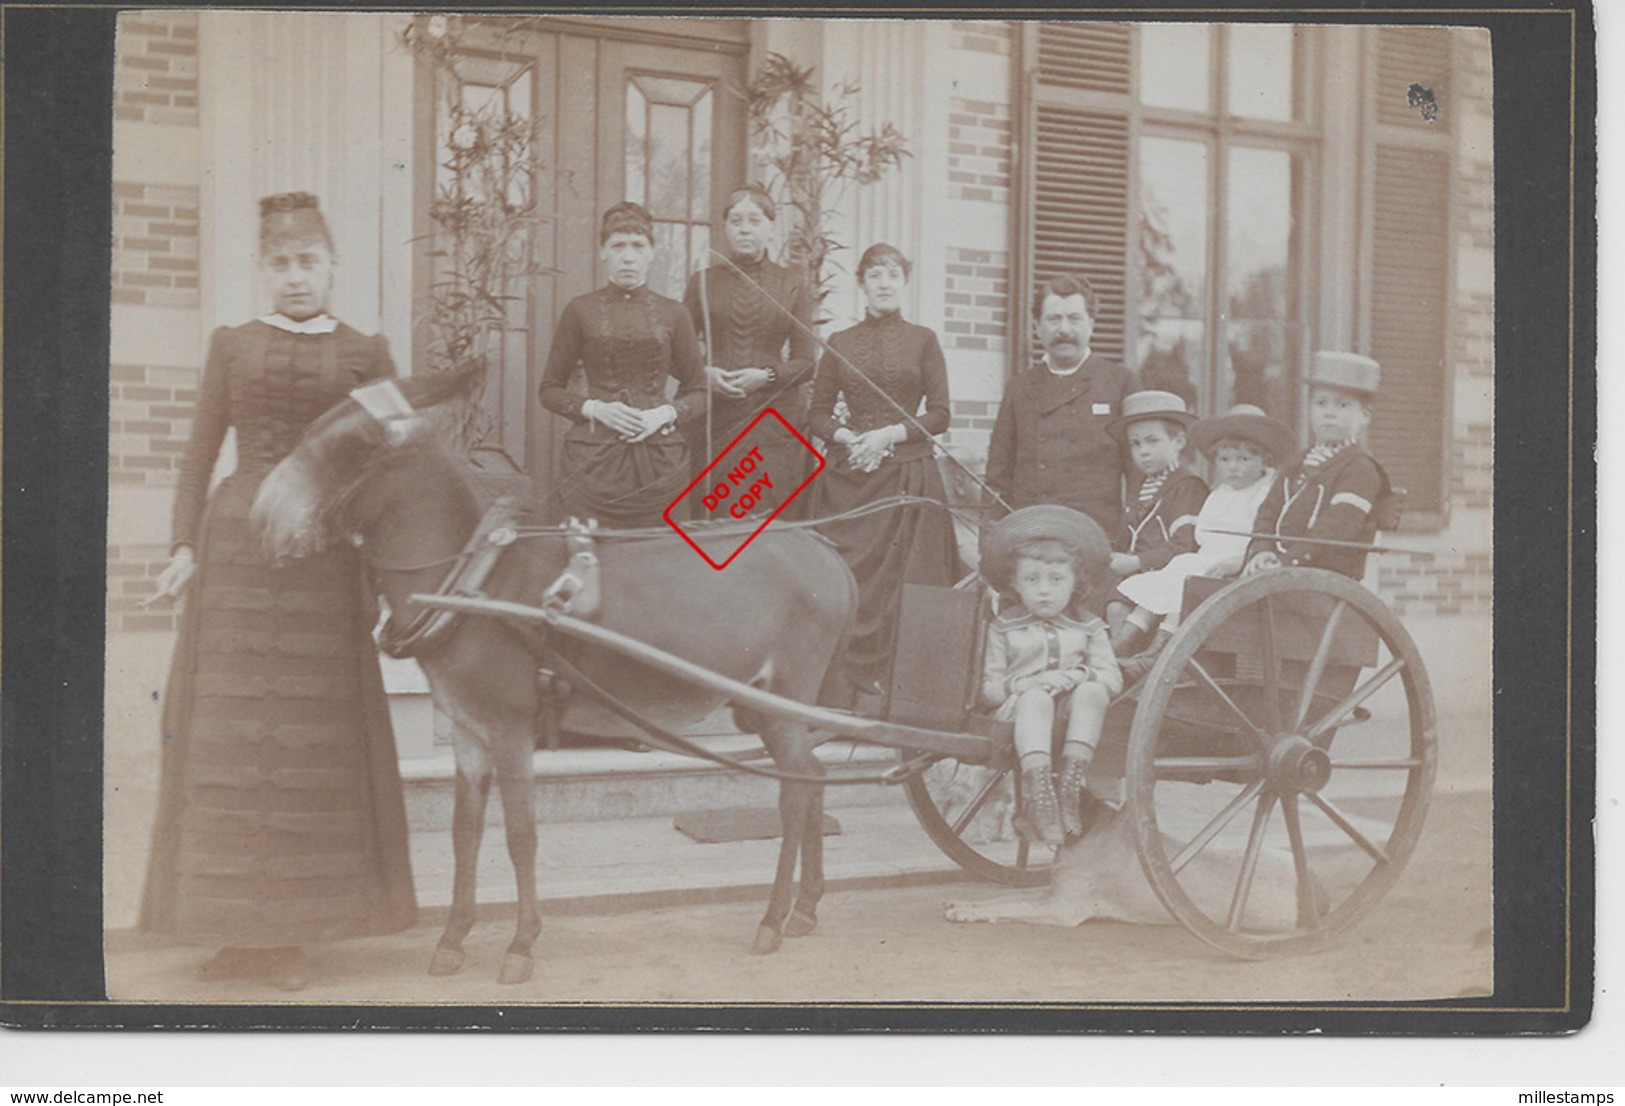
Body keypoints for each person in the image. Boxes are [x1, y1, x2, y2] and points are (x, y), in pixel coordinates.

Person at [141, 192, 416, 991]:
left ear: (332, 265)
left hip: (320, 564)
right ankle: (232, 932)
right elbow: (199, 454)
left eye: (308, 262)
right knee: (227, 741)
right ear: (263, 271)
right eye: (280, 264)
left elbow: (396, 461)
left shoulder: (369, 351)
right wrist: (184, 545)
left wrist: (374, 550)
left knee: (305, 745)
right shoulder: (232, 346)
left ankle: (292, 934)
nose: (295, 277)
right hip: (234, 563)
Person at [808, 243, 960, 704]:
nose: (885, 282)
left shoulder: (924, 340)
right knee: (843, 584)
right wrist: (848, 438)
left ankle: (904, 702)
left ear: (904, 281)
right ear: (862, 284)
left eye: (893, 273)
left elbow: (940, 414)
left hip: (907, 477)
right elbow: (815, 415)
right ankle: (839, 700)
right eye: (875, 274)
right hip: (851, 481)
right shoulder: (840, 343)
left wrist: (888, 435)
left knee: (910, 587)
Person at [539, 201, 707, 528]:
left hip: (661, 460)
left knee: (660, 558)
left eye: (637, 246)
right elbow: (549, 390)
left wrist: (662, 414)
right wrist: (596, 409)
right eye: (618, 246)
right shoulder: (580, 310)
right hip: (592, 462)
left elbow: (700, 390)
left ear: (651, 252)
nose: (628, 256)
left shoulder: (675, 313)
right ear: (603, 252)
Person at [1114, 403, 1297, 674]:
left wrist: (1236, 562)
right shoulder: (1219, 493)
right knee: (1173, 572)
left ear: (1264, 460)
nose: (1233, 468)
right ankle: (1122, 642)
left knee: (1189, 580)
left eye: (1243, 460)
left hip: (1239, 566)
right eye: (1225, 460)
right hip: (1207, 559)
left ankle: (1159, 650)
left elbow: (1264, 538)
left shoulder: (1264, 494)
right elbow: (1204, 534)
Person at [979, 506, 1122, 846]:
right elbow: (988, 689)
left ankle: (1069, 786)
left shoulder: (1089, 628)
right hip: (1019, 716)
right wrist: (1025, 684)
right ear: (1014, 583)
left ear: (1075, 584)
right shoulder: (1004, 629)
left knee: (1093, 692)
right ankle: (1040, 793)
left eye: (1056, 580)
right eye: (1032, 580)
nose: (1044, 591)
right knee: (1037, 698)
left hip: (1070, 717)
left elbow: (1112, 678)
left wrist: (1078, 675)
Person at [682, 185, 816, 517]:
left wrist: (766, 376)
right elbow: (678, 354)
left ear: (771, 227)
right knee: (716, 519)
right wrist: (704, 374)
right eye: (736, 220)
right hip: (716, 420)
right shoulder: (702, 282)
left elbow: (806, 363)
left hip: (774, 423)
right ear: (725, 227)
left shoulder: (792, 282)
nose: (744, 228)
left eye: (754, 220)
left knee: (768, 521)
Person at [984, 273, 1143, 534]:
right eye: (1054, 319)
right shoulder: (1019, 388)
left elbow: (1140, 473)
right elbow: (997, 475)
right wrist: (990, 544)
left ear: (1091, 324)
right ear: (1037, 326)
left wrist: (1133, 539)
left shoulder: (1120, 382)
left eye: (1075, 318)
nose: (1065, 330)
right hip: (1031, 531)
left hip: (1097, 535)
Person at [1245, 352, 1393, 580]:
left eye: (1343, 405)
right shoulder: (1297, 462)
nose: (1329, 412)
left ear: (1364, 416)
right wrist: (1262, 550)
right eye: (1320, 403)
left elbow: (1336, 529)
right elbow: (1268, 510)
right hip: (1280, 570)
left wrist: (1288, 561)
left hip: (1325, 576)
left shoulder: (1360, 469)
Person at [1101, 390, 1208, 653]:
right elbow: (1127, 538)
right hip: (1136, 572)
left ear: (1179, 441)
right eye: (1136, 444)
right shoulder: (1140, 487)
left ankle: (1123, 664)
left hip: (1167, 574)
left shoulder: (1187, 486)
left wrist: (1138, 562)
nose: (1143, 451)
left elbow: (1185, 546)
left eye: (1152, 441)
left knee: (1116, 606)